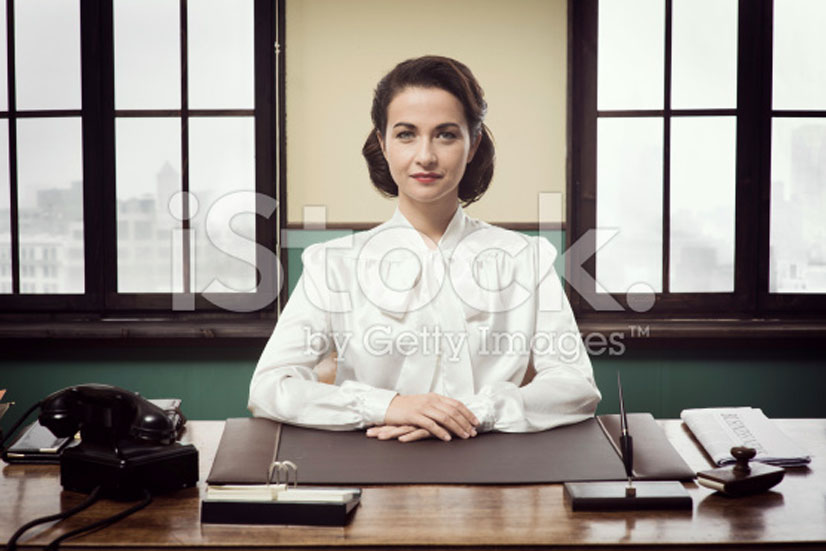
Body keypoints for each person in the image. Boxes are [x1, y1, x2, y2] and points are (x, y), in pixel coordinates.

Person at [248, 55, 600, 442]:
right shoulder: (333, 264)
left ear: (472, 144)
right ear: (382, 143)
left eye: (446, 134)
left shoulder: (526, 259)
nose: (426, 156)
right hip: (371, 469)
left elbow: (576, 386)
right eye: (406, 134)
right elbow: (269, 387)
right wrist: (387, 405)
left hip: (497, 476)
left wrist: (471, 413)